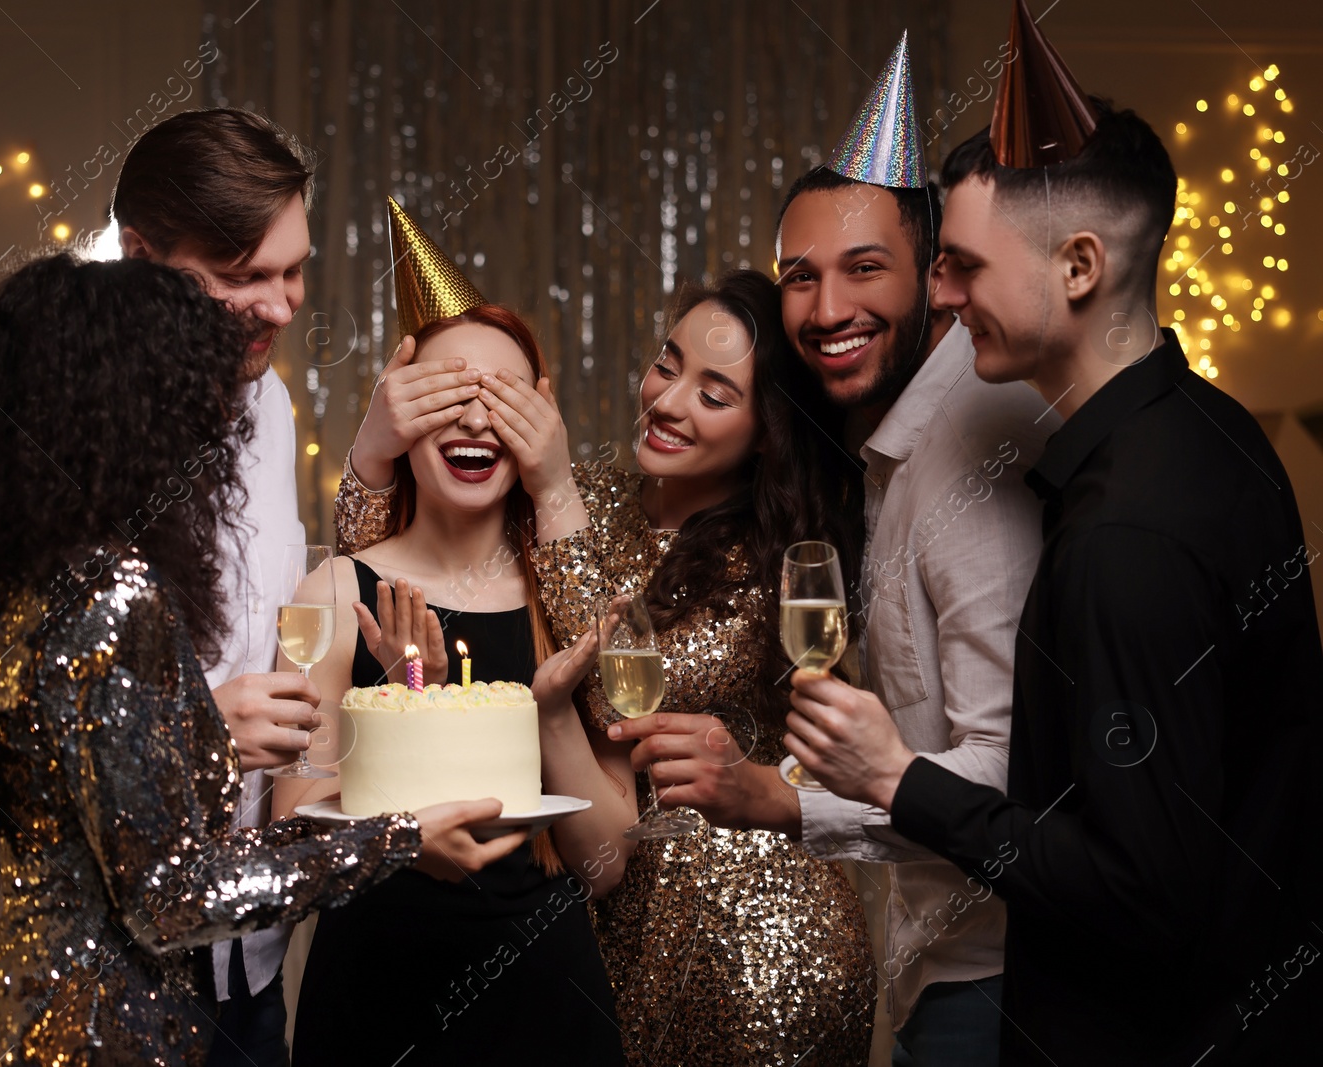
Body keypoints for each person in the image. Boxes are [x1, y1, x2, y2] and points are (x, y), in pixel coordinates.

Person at [783, 8, 1321, 1062]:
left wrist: (897, 777)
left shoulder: (1124, 536)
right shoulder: (1208, 427)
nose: (939, 295)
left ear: (1078, 266)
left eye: (965, 268)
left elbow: (1135, 885)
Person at [0, 252, 520, 1066]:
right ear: (132, 414)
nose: (221, 425)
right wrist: (400, 837)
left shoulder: (36, 582)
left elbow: (118, 828)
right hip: (97, 1033)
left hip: (21, 1011)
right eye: (193, 396)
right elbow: (174, 895)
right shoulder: (111, 595)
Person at [608, 34, 1049, 1066]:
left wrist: (779, 795)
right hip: (940, 962)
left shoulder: (968, 450)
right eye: (798, 277)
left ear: (936, 274)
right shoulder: (884, 461)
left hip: (998, 974)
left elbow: (1009, 766)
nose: (825, 308)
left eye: (863, 269)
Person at [0, 108, 323, 1062]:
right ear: (141, 253)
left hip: (237, 952)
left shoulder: (270, 409)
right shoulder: (45, 419)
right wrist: (167, 737)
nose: (282, 306)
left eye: (296, 268)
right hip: (62, 956)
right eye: (242, 277)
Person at [339, 235, 877, 1063]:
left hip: (757, 947)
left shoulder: (758, 566)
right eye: (668, 364)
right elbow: (395, 571)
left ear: (766, 430)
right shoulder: (586, 498)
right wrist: (373, 451)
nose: (668, 401)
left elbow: (616, 692)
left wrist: (551, 486)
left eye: (716, 392)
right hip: (613, 932)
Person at [273, 200, 623, 1066]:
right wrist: (400, 720)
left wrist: (546, 714)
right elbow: (288, 828)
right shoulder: (335, 590)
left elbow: (609, 861)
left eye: (500, 399)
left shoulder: (571, 599)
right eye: (447, 395)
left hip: (548, 1011)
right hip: (375, 1005)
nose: (473, 420)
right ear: (402, 414)